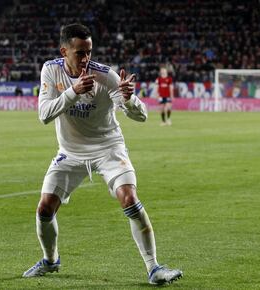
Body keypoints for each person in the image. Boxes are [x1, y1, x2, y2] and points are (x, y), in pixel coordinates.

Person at [22, 23, 183, 285]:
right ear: (64, 51)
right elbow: (44, 115)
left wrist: (130, 99)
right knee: (44, 208)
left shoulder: (105, 76)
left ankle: (154, 268)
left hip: (108, 148)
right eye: (79, 53)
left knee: (129, 198)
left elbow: (141, 116)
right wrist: (74, 92)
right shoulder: (51, 70)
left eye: (89, 52)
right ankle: (50, 261)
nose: (86, 59)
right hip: (70, 153)